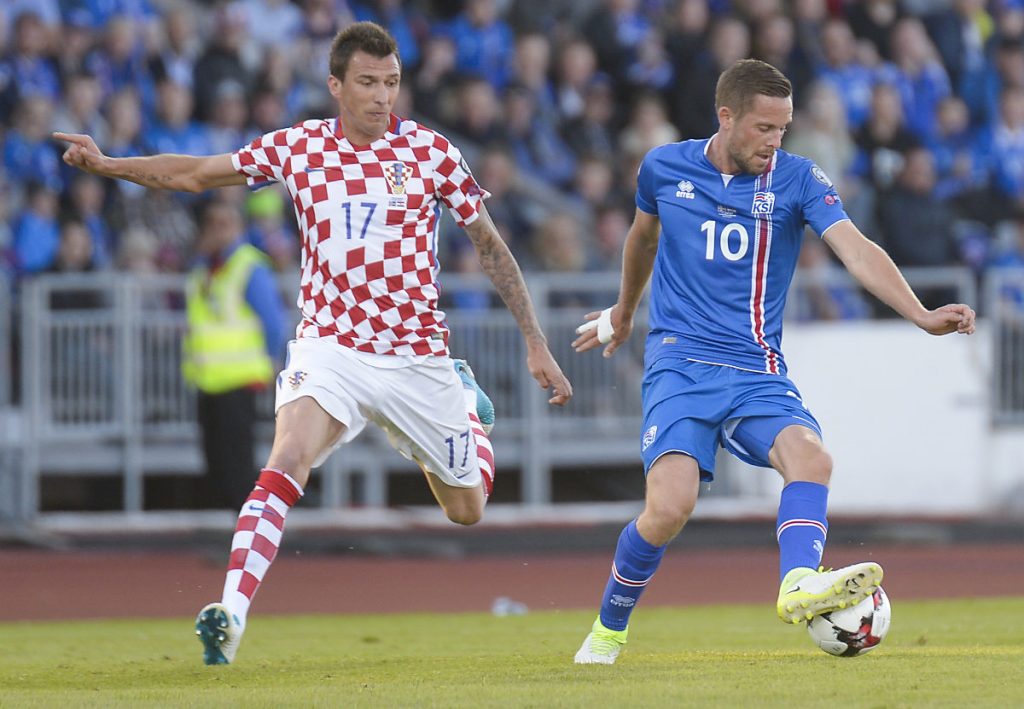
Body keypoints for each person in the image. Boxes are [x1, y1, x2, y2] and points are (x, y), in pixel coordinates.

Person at [55, 21, 573, 666]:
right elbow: (193, 173)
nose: (382, 97)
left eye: (391, 83)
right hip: (331, 347)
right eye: (367, 83)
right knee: (288, 455)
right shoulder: (298, 148)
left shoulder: (432, 153)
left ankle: (467, 407)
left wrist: (535, 342)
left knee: (466, 508)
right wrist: (109, 163)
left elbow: (490, 246)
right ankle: (231, 616)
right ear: (335, 86)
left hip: (417, 355)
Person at [571, 59, 975, 665]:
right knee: (669, 508)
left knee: (812, 458)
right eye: (764, 128)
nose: (774, 142)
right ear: (726, 116)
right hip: (681, 365)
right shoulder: (663, 167)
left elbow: (855, 249)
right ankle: (608, 628)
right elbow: (641, 239)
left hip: (757, 368)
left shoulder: (799, 179)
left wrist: (917, 313)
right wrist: (625, 313)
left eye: (783, 129)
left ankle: (796, 585)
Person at [182, 200, 287, 509]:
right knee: (216, 462)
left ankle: (249, 533)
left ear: (239, 227)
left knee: (237, 462)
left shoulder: (247, 265)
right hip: (208, 379)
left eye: (224, 223)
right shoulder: (206, 267)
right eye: (211, 224)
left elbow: (273, 322)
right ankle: (235, 534)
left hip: (239, 378)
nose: (217, 230)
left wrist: (270, 361)